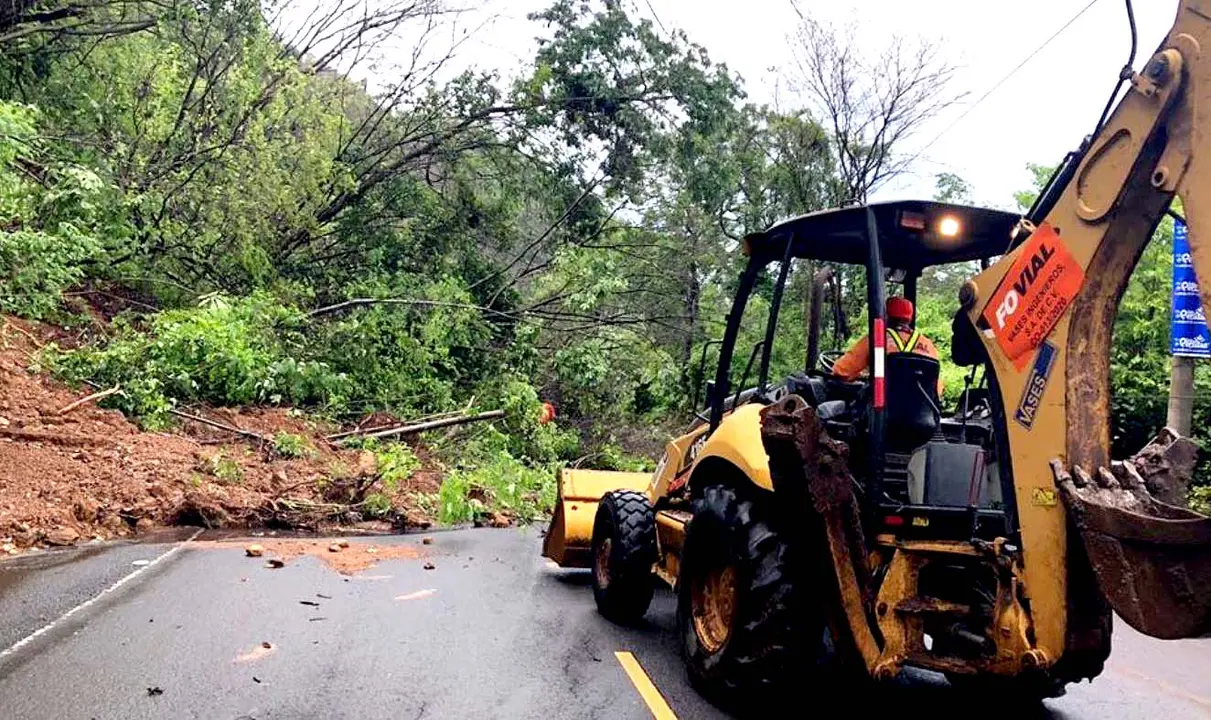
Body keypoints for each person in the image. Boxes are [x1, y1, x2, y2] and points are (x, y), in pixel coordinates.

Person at [832, 296, 944, 394]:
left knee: (825, 410)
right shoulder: (927, 344)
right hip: (922, 414)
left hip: (883, 412)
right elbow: (938, 389)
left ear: (886, 314)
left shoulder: (877, 339)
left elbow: (842, 371)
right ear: (909, 318)